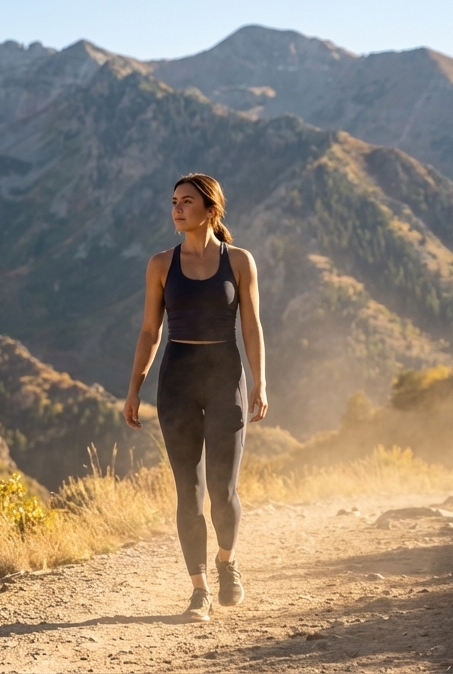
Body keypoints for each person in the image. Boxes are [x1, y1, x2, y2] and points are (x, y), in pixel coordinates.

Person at [122, 172, 268, 623]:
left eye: (187, 201)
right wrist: (134, 388)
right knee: (190, 490)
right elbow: (151, 330)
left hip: (226, 376)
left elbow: (251, 326)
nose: (177, 209)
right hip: (178, 380)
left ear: (211, 209)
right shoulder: (160, 264)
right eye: (174, 201)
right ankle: (199, 590)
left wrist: (260, 381)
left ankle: (227, 561)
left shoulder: (240, 261)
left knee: (223, 491)